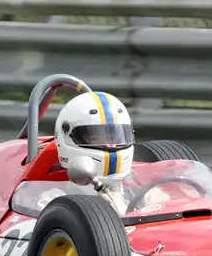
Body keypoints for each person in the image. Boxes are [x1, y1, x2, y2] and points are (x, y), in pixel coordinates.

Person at [35, 91, 170, 215]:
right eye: (97, 137)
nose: (111, 144)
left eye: (116, 136)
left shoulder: (146, 195)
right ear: (68, 138)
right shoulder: (53, 202)